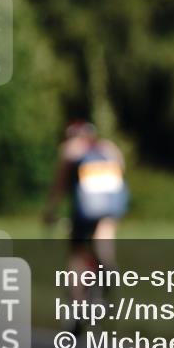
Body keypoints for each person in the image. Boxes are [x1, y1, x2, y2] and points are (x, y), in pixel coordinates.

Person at [44, 120, 129, 299]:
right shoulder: (108, 147)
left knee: (77, 252)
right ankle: (108, 266)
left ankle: (76, 305)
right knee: (105, 232)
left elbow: (59, 186)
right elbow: (121, 170)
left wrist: (50, 211)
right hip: (112, 203)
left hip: (85, 207)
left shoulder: (71, 149)